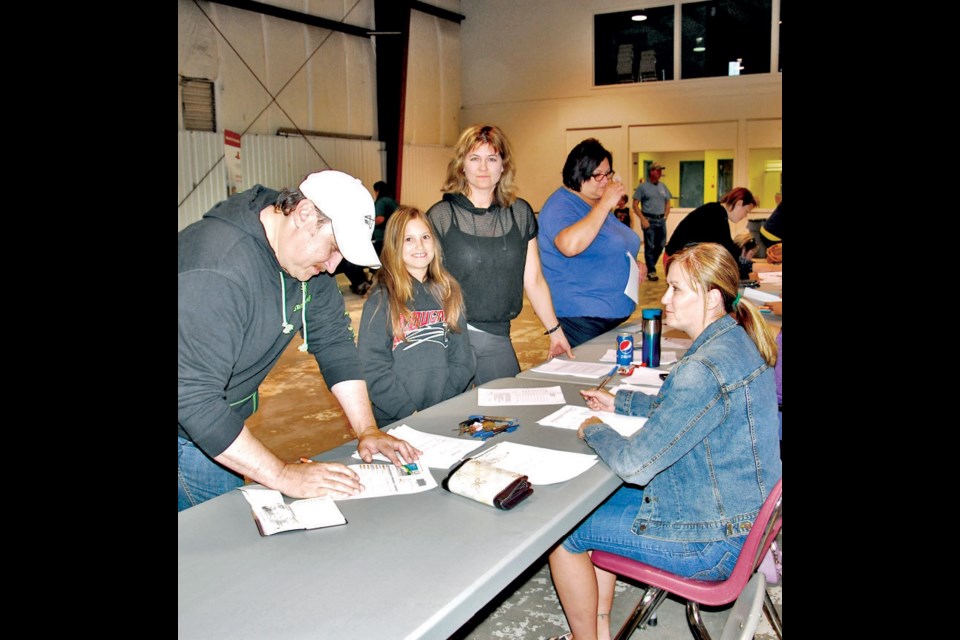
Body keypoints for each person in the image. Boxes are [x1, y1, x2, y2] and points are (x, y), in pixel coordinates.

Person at [548, 243, 781, 640]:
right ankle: (600, 629)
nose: (665, 299)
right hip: (743, 523)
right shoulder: (736, 340)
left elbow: (635, 466)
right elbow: (693, 406)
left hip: (712, 543)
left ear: (711, 298)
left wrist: (592, 427)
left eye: (676, 290)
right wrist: (622, 400)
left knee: (562, 534)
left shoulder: (703, 366)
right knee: (599, 504)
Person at [178, 170, 421, 511]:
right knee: (219, 535)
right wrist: (283, 475)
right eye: (334, 248)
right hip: (187, 428)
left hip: (209, 417)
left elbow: (334, 342)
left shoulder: (303, 257)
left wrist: (368, 429)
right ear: (305, 214)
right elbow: (192, 398)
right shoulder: (217, 269)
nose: (333, 265)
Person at [427, 124, 573, 384]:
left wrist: (555, 331)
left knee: (506, 415)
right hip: (452, 337)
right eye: (475, 158)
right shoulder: (441, 216)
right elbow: (424, 283)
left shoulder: (520, 214)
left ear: (503, 165)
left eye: (491, 158)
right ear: (462, 165)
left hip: (497, 336)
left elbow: (534, 280)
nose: (483, 167)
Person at [357, 206, 476, 427]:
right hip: (398, 418)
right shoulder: (381, 300)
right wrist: (407, 411)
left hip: (445, 410)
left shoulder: (449, 292)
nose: (419, 245)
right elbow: (372, 365)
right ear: (394, 246)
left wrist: (446, 402)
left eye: (425, 237)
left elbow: (463, 357)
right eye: (408, 239)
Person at [538, 138, 645, 348]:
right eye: (598, 175)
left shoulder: (593, 204)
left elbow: (613, 244)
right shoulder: (561, 205)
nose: (606, 181)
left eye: (608, 174)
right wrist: (605, 204)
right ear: (579, 172)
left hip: (610, 315)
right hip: (581, 319)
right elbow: (569, 245)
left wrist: (633, 264)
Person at [664, 186, 759, 280]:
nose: (745, 216)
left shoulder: (717, 211)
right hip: (676, 262)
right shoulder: (716, 214)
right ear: (739, 203)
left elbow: (727, 249)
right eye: (746, 211)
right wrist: (747, 274)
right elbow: (727, 252)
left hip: (681, 260)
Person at [632, 162, 672, 281]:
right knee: (650, 246)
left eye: (660, 170)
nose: (660, 173)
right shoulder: (643, 187)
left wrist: (665, 215)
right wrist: (643, 219)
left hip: (661, 220)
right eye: (658, 170)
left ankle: (651, 265)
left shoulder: (663, 187)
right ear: (652, 172)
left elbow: (668, 202)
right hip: (648, 220)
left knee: (660, 245)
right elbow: (635, 205)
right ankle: (651, 271)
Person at [372, 181, 399, 257]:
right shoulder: (392, 201)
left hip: (381, 237)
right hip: (393, 235)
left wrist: (368, 223)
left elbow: (380, 219)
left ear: (377, 191)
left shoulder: (381, 202)